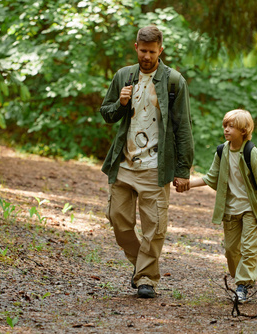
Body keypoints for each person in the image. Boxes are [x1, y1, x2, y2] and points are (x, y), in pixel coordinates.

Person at [99, 25, 194, 298]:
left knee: (155, 228)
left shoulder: (174, 81)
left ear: (160, 50)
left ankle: (146, 279)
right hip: (124, 164)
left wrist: (183, 169)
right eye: (143, 51)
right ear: (136, 47)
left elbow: (183, 127)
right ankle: (143, 266)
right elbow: (107, 114)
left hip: (156, 166)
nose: (147, 57)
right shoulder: (123, 76)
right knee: (119, 221)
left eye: (152, 52)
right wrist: (120, 103)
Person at [182, 109, 257, 303]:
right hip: (230, 209)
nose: (227, 130)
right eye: (225, 126)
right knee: (231, 251)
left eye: (232, 126)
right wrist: (187, 183)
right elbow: (211, 177)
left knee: (249, 248)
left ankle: (242, 285)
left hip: (251, 209)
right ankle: (243, 280)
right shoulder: (222, 151)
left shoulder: (251, 153)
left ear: (244, 130)